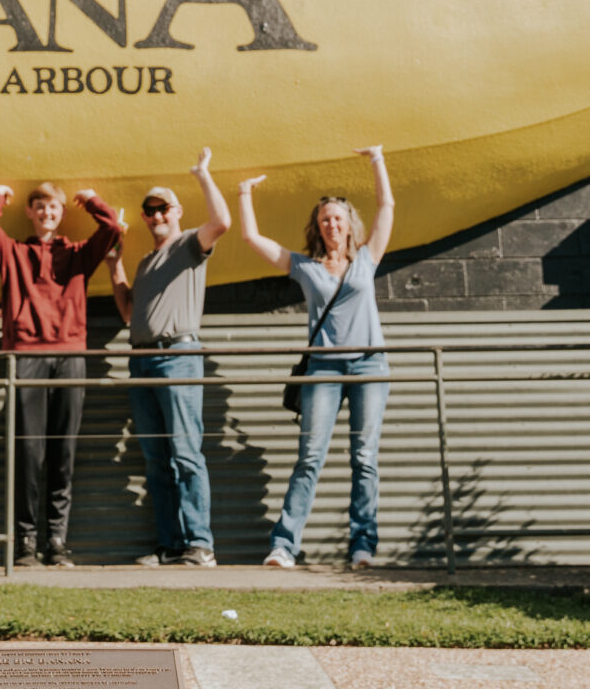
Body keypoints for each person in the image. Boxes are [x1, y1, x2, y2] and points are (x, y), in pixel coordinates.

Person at [238, 146, 395, 569]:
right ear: (317, 227)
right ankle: (284, 546)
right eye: (325, 219)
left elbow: (387, 206)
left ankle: (362, 547)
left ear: (349, 225)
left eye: (338, 219)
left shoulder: (367, 259)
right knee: (310, 458)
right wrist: (244, 193)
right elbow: (252, 239)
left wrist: (377, 160)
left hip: (369, 365)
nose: (331, 225)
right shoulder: (305, 267)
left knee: (365, 458)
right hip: (323, 368)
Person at [0, 181, 123, 567]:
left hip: (70, 355)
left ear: (62, 213)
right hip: (27, 356)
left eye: (53, 207)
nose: (46, 213)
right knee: (29, 451)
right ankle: (25, 542)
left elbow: (112, 229)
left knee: (64, 451)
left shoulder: (78, 254)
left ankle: (56, 541)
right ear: (30, 212)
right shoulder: (13, 253)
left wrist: (92, 201)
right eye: (40, 206)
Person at [105, 147, 231, 568]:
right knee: (156, 459)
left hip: (178, 356)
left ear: (177, 212)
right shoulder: (145, 263)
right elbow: (128, 313)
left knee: (186, 453)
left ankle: (201, 545)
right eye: (150, 210)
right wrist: (115, 265)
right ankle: (171, 545)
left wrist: (202, 174)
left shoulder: (189, 245)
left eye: (163, 208)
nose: (156, 215)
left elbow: (222, 222)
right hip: (141, 361)